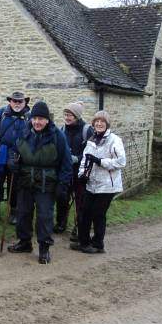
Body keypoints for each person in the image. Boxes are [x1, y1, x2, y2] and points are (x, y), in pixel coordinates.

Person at [7, 101, 72, 264]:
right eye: (35, 118)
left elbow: (66, 163)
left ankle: (44, 248)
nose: (37, 122)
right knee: (23, 213)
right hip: (25, 180)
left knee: (44, 216)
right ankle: (24, 242)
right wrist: (12, 163)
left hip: (46, 183)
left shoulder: (58, 136)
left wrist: (62, 185)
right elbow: (14, 151)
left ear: (47, 120)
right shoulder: (24, 132)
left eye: (41, 119)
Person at [71, 111, 126, 254]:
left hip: (108, 184)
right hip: (92, 183)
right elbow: (85, 158)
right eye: (97, 121)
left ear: (107, 124)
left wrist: (101, 162)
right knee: (84, 212)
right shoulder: (91, 139)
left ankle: (98, 244)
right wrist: (81, 175)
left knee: (98, 214)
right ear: (93, 124)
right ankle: (84, 242)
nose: (99, 124)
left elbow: (121, 162)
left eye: (102, 122)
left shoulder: (115, 140)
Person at [0, 91, 31, 224]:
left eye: (20, 101)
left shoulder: (29, 116)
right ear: (10, 101)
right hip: (2, 152)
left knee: (15, 184)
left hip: (19, 154)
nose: (17, 104)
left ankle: (13, 212)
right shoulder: (2, 113)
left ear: (25, 102)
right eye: (14, 101)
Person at [58, 101, 93, 237]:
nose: (67, 117)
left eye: (70, 115)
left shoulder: (86, 130)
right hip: (66, 171)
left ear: (77, 116)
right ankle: (61, 223)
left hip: (81, 172)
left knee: (80, 201)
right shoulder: (61, 130)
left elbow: (90, 150)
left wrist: (78, 158)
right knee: (62, 197)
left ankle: (79, 227)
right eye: (66, 114)